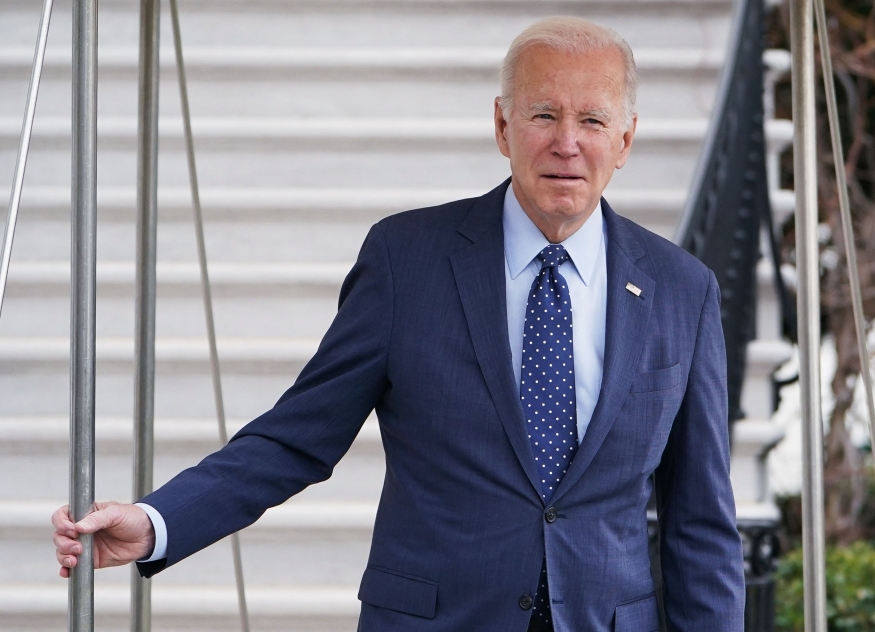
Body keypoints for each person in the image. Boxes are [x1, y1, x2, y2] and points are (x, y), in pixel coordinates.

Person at [52, 16, 745, 631]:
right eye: (543, 115)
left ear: (625, 140)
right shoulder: (406, 260)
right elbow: (296, 438)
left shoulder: (683, 291)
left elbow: (701, 524)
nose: (567, 142)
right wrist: (156, 523)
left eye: (592, 121)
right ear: (503, 127)